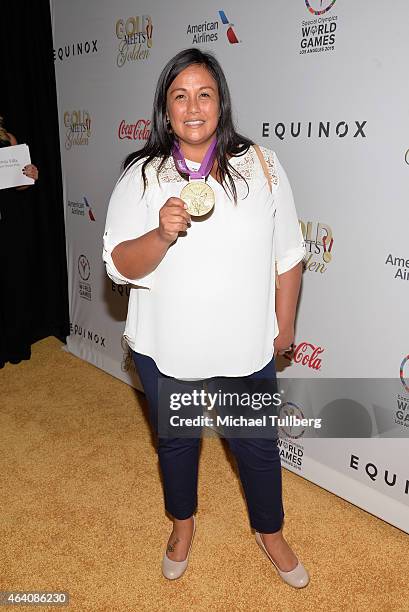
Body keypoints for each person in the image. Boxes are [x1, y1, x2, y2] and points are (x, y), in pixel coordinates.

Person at [103, 48, 309, 588]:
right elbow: (119, 265)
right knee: (176, 443)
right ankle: (182, 525)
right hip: (168, 345)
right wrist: (161, 234)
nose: (193, 107)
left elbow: (289, 254)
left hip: (243, 343)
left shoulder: (261, 165)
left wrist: (283, 325)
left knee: (258, 446)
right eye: (180, 95)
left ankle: (270, 530)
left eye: (204, 94)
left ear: (221, 102)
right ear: (165, 107)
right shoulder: (142, 175)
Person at [0, 115, 39, 367]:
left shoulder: (8, 138)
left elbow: (21, 186)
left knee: (12, 280)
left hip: (9, 220)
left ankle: (13, 344)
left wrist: (30, 175)